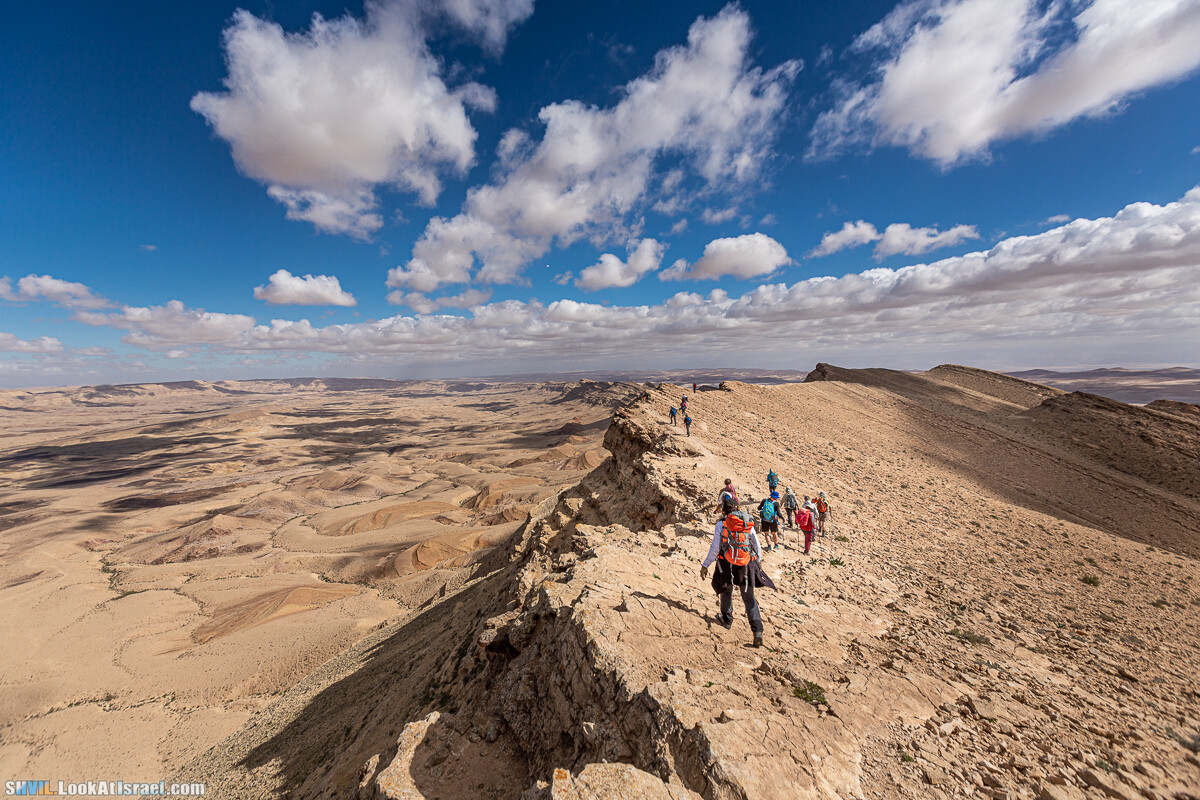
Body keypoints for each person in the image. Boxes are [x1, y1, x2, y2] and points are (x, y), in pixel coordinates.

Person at [700, 496, 765, 647]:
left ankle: (727, 619)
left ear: (723, 510)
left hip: (727, 563)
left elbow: (715, 548)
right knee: (749, 598)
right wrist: (758, 562)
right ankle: (757, 632)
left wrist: (705, 565)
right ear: (738, 508)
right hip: (746, 564)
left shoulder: (721, 524)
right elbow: (756, 544)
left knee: (727, 591)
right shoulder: (746, 522)